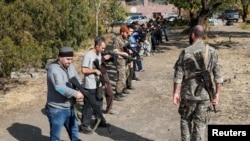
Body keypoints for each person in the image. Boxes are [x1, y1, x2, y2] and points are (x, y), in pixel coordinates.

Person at [173, 25, 223, 141]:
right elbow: (218, 76)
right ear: (203, 36)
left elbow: (178, 76)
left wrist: (176, 93)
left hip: (187, 95)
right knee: (200, 124)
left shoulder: (185, 52)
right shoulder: (212, 51)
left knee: (185, 120)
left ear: (192, 35)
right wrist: (217, 94)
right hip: (205, 95)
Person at [45, 46, 84, 141]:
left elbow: (77, 79)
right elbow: (59, 87)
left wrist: (83, 89)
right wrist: (75, 93)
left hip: (70, 106)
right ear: (60, 58)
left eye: (71, 59)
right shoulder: (53, 69)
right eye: (68, 59)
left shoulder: (70, 67)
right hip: (57, 109)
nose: (70, 62)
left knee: (74, 132)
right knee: (56, 137)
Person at [80, 36, 106, 134]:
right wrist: (94, 70)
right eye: (102, 48)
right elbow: (83, 70)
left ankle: (99, 121)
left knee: (99, 103)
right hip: (90, 85)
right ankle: (85, 125)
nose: (103, 50)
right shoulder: (88, 55)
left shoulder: (99, 55)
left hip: (98, 83)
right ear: (97, 46)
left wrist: (102, 83)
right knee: (89, 105)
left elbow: (99, 69)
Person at [112, 25, 133, 101]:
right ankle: (117, 93)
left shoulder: (125, 39)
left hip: (125, 60)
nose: (127, 34)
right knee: (121, 76)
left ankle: (122, 89)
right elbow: (115, 50)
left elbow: (126, 48)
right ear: (122, 32)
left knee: (125, 75)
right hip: (119, 60)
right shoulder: (117, 39)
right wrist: (123, 53)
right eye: (126, 33)